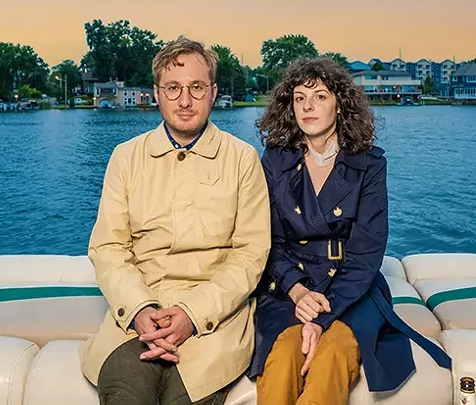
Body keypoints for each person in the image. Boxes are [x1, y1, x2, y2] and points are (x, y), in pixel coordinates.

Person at [247, 57, 451, 404]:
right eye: (299, 98)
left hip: (350, 289)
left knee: (332, 356)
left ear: (339, 105)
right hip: (289, 288)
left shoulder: (369, 164)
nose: (308, 106)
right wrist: (296, 292)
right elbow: (269, 241)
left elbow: (366, 251)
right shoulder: (274, 160)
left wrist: (321, 317)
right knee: (281, 359)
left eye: (320, 96)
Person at [80, 36, 271, 405]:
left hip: (212, 320)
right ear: (157, 93)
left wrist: (192, 314)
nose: (185, 101)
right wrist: (138, 310)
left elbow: (251, 254)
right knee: (126, 396)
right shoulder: (126, 157)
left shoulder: (242, 159)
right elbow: (108, 246)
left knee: (188, 398)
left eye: (196, 87)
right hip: (137, 317)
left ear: (213, 92)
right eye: (173, 88)